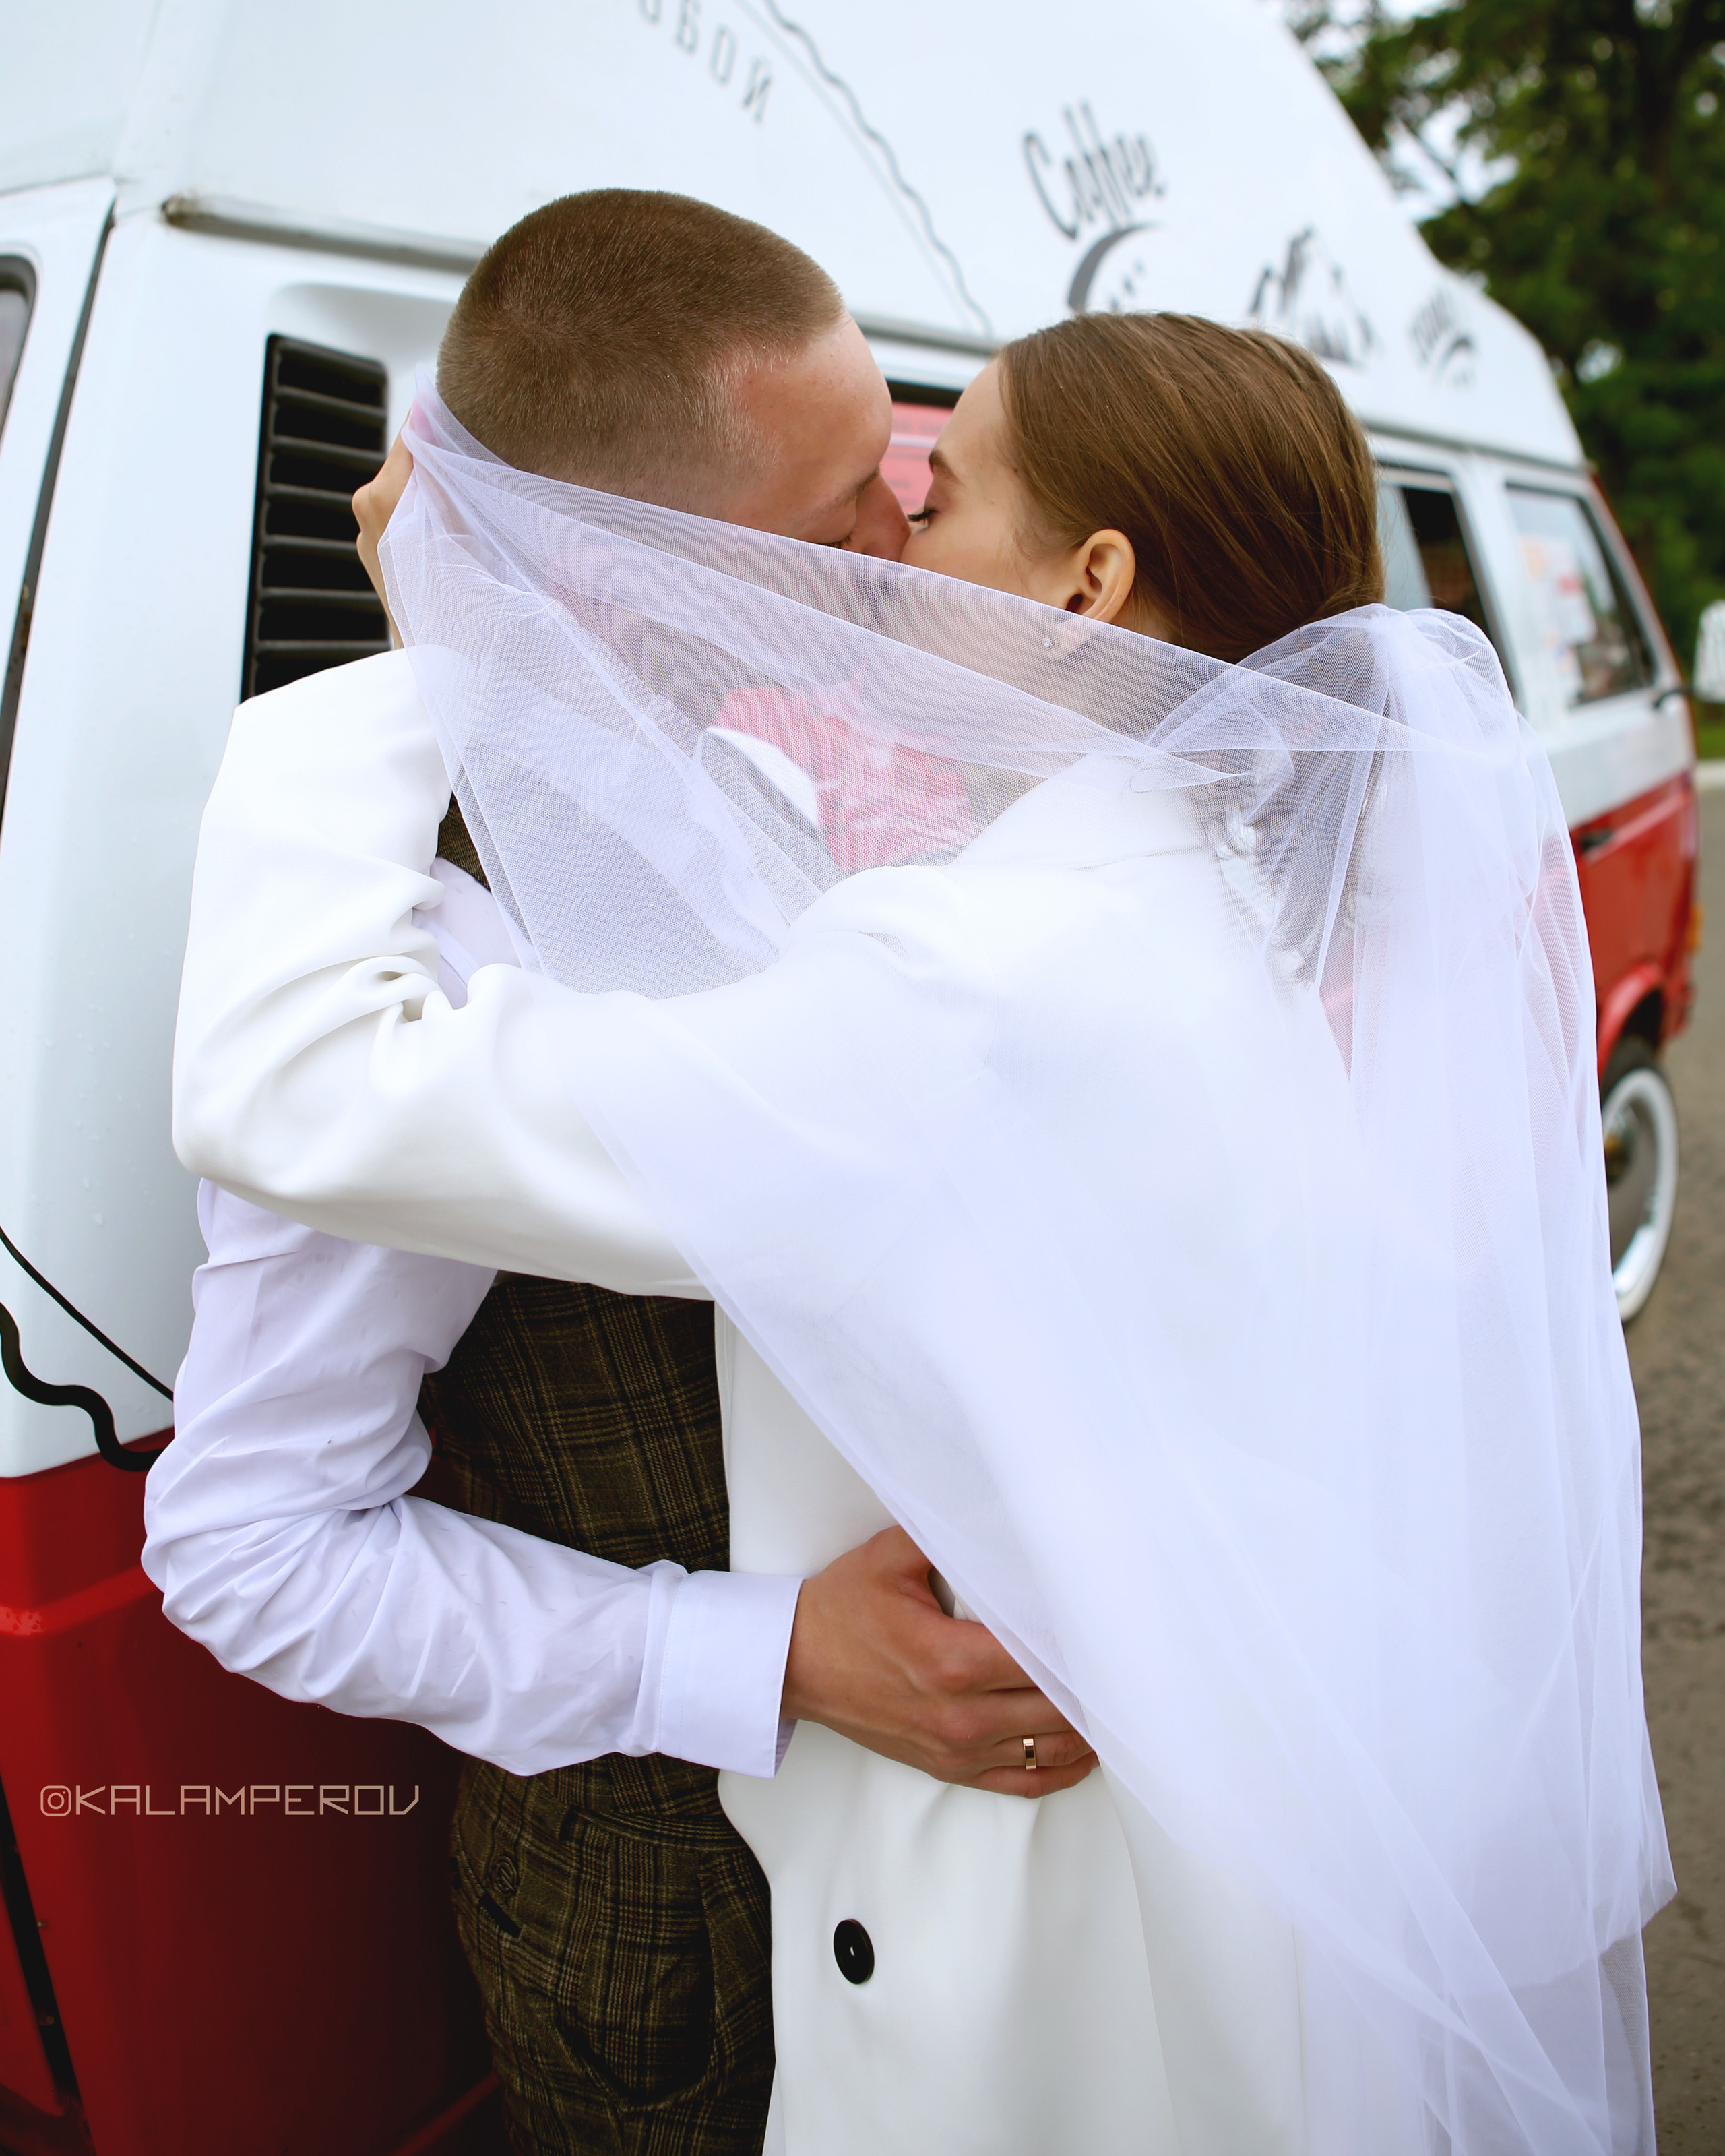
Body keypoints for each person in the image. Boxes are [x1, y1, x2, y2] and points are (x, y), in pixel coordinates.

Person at [172, 297, 1670, 2155]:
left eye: (940, 500)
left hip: (1037, 1929)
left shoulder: (981, 974)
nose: (884, 561)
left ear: (1091, 580)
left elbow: (297, 1086)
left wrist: (449, 652)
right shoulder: (1217, 885)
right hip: (1199, 1837)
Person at [145, 191, 1094, 2156]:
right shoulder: (402, 948)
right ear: (615, 567)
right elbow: (244, 1552)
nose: (899, 534)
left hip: (923, 1891)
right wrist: (765, 1654)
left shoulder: (749, 783)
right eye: (845, 499)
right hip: (676, 1938)